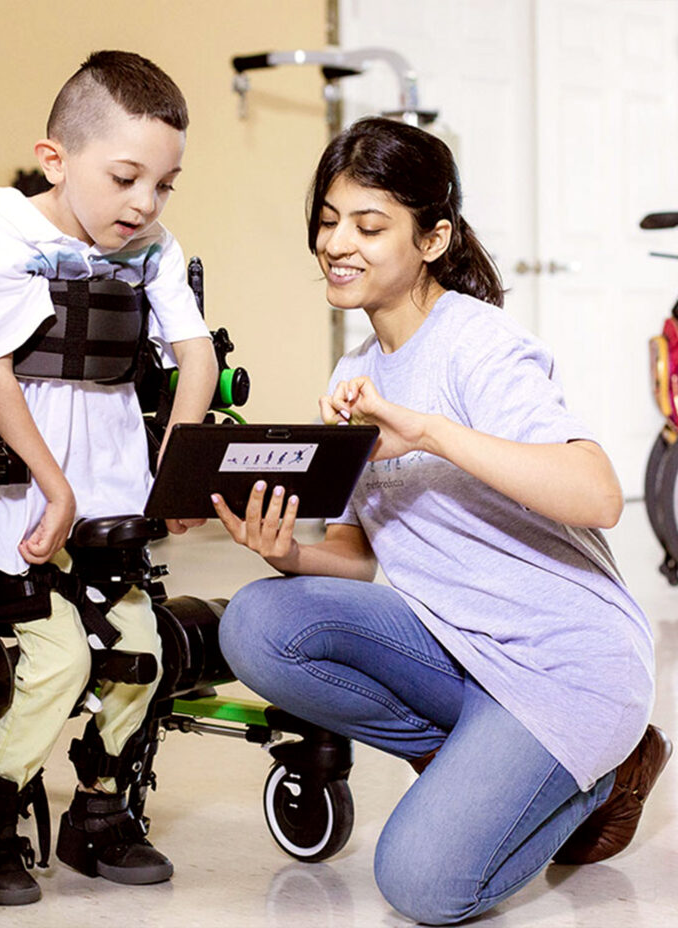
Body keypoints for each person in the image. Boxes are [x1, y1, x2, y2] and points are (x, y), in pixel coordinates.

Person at [213, 116, 671, 925]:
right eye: (327, 220)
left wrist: (425, 430)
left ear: (433, 239)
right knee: (257, 621)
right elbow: (358, 554)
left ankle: (608, 768)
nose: (336, 243)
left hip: (564, 668)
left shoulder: (480, 346)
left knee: (421, 886)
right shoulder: (355, 372)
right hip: (457, 646)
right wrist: (288, 554)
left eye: (368, 224)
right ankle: (464, 760)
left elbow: (598, 494)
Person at [0, 50, 217, 906]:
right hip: (24, 500)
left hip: (114, 496)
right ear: (58, 159)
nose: (145, 203)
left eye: (165, 185)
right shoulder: (0, 238)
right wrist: (53, 488)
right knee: (58, 662)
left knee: (138, 654)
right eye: (127, 177)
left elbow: (197, 355)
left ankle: (98, 812)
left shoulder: (155, 247)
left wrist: (174, 469)